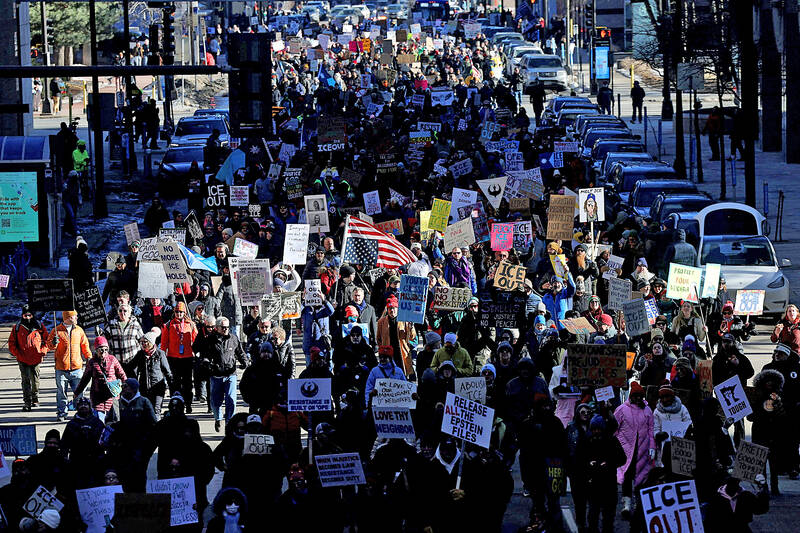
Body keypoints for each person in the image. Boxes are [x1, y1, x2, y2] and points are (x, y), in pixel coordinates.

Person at [195, 317, 247, 432]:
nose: (225, 329)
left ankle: (229, 421)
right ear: (217, 328)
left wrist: (245, 362)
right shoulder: (210, 340)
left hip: (230, 374)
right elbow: (204, 356)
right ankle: (218, 418)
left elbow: (240, 352)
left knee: (231, 399)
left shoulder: (233, 338)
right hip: (216, 375)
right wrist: (207, 363)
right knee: (215, 401)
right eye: (223, 327)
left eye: (227, 327)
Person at [614, 381, 655, 519]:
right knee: (627, 476)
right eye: (636, 396)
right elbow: (614, 428)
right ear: (631, 396)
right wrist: (613, 445)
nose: (638, 398)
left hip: (642, 450)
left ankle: (638, 504)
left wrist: (652, 447)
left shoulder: (647, 410)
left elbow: (651, 430)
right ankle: (626, 504)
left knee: (641, 477)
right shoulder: (621, 409)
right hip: (625, 450)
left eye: (640, 396)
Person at [46, 310, 92, 422]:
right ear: (68, 317)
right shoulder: (57, 331)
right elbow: (49, 345)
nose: (77, 317)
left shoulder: (79, 330)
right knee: (61, 393)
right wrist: (53, 343)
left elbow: (85, 345)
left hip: (77, 368)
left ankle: (81, 412)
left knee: (80, 392)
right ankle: (62, 413)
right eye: (74, 316)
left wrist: (89, 357)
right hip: (61, 369)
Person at [73, 336, 127, 422]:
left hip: (112, 396)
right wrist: (77, 392)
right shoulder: (92, 362)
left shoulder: (112, 359)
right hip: (97, 397)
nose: (103, 352)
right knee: (99, 422)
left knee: (114, 422)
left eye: (106, 350)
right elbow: (85, 379)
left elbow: (122, 375)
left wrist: (126, 388)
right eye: (101, 350)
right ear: (96, 350)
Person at [8, 305, 48, 411]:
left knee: (35, 381)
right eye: (25, 315)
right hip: (23, 359)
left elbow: (47, 340)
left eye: (29, 315)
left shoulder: (39, 326)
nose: (28, 318)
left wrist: (42, 351)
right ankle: (27, 401)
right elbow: (11, 344)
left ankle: (35, 398)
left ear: (32, 315)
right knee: (25, 381)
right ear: (22, 315)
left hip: (36, 358)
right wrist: (18, 354)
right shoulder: (17, 327)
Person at [161, 301, 198, 412]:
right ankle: (175, 403)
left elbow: (196, 340)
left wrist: (196, 354)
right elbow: (164, 343)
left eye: (181, 312)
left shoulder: (190, 324)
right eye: (177, 312)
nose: (179, 314)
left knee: (187, 382)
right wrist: (162, 357)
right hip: (173, 357)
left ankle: (188, 403)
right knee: (174, 382)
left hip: (187, 357)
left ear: (184, 312)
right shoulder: (168, 325)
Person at [130, 328, 173, 420]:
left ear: (151, 342)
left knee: (156, 410)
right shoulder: (140, 354)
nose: (143, 344)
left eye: (145, 342)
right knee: (146, 411)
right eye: (142, 342)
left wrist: (172, 387)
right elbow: (130, 367)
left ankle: (157, 431)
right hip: (144, 388)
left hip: (158, 387)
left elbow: (167, 371)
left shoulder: (160, 354)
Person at [376, 296, 417, 377]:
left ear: (398, 309)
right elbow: (378, 338)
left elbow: (412, 337)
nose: (392, 310)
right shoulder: (381, 322)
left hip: (401, 352)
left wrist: (411, 327)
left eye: (394, 308)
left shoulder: (405, 320)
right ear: (387, 310)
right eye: (390, 308)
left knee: (403, 374)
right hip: (388, 352)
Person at [105, 302, 144, 376]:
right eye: (120, 311)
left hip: (133, 361)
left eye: (125, 311)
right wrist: (99, 333)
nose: (122, 313)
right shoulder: (111, 324)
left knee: (132, 384)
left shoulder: (135, 324)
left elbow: (141, 340)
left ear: (129, 313)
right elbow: (105, 339)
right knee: (119, 385)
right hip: (117, 362)